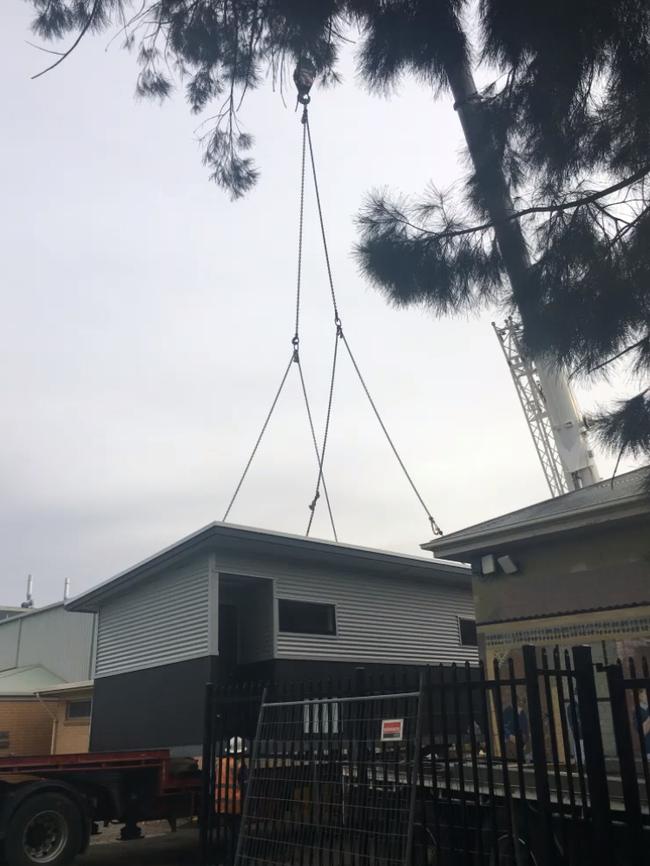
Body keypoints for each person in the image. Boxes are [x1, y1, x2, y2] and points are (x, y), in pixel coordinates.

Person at [502, 695, 531, 761]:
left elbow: (525, 728)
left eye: (523, 701)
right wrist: (510, 736)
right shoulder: (508, 711)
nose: (522, 703)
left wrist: (526, 738)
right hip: (511, 742)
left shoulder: (522, 713)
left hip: (521, 742)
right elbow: (504, 726)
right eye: (520, 701)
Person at [636, 690, 650, 758]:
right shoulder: (637, 711)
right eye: (645, 695)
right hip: (648, 748)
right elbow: (642, 731)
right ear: (640, 696)